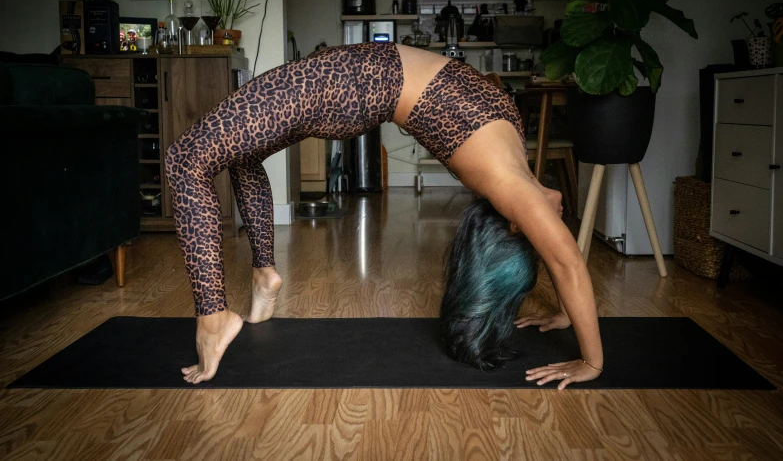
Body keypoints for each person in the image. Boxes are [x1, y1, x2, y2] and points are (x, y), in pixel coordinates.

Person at [165, 42, 603, 387]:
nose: (557, 216)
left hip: (351, 82)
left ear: (516, 226)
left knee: (185, 160)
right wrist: (564, 312)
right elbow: (556, 255)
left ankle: (213, 318)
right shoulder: (515, 149)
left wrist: (591, 362)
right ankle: (264, 273)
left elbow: (566, 260)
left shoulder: (515, 192)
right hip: (356, 79)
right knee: (242, 151)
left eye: (544, 228)